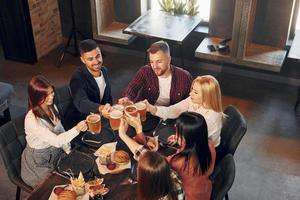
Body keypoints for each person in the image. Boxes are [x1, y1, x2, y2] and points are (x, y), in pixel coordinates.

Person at [119, 112, 215, 200]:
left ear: (185, 138)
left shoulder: (178, 162)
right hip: (204, 191)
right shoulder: (209, 145)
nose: (175, 132)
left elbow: (149, 159)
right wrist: (179, 140)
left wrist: (126, 133)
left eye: (177, 131)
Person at [21, 75, 87, 187]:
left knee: (79, 176)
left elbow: (60, 129)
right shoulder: (32, 120)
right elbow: (56, 141)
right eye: (45, 95)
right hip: (38, 162)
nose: (51, 97)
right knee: (60, 186)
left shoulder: (51, 106)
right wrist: (77, 129)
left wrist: (68, 151)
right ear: (36, 97)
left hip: (55, 152)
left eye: (51, 92)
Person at [146, 75, 224, 147]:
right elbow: (174, 110)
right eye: (192, 89)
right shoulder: (194, 100)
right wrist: (152, 108)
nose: (190, 94)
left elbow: (196, 142)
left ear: (207, 96)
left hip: (203, 150)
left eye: (195, 92)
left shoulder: (211, 118)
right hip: (188, 138)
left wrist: (179, 138)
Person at [119, 40, 192, 106]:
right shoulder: (145, 70)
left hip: (170, 115)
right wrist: (127, 98)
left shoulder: (185, 77)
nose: (154, 66)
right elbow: (132, 87)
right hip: (147, 112)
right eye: (151, 62)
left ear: (169, 60)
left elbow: (190, 102)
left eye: (159, 61)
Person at [65, 39, 112, 129]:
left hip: (100, 120)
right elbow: (81, 102)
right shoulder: (77, 77)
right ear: (82, 60)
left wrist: (110, 109)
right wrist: (101, 108)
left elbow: (108, 97)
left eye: (98, 56)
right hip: (80, 124)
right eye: (90, 59)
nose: (96, 62)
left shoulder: (104, 71)